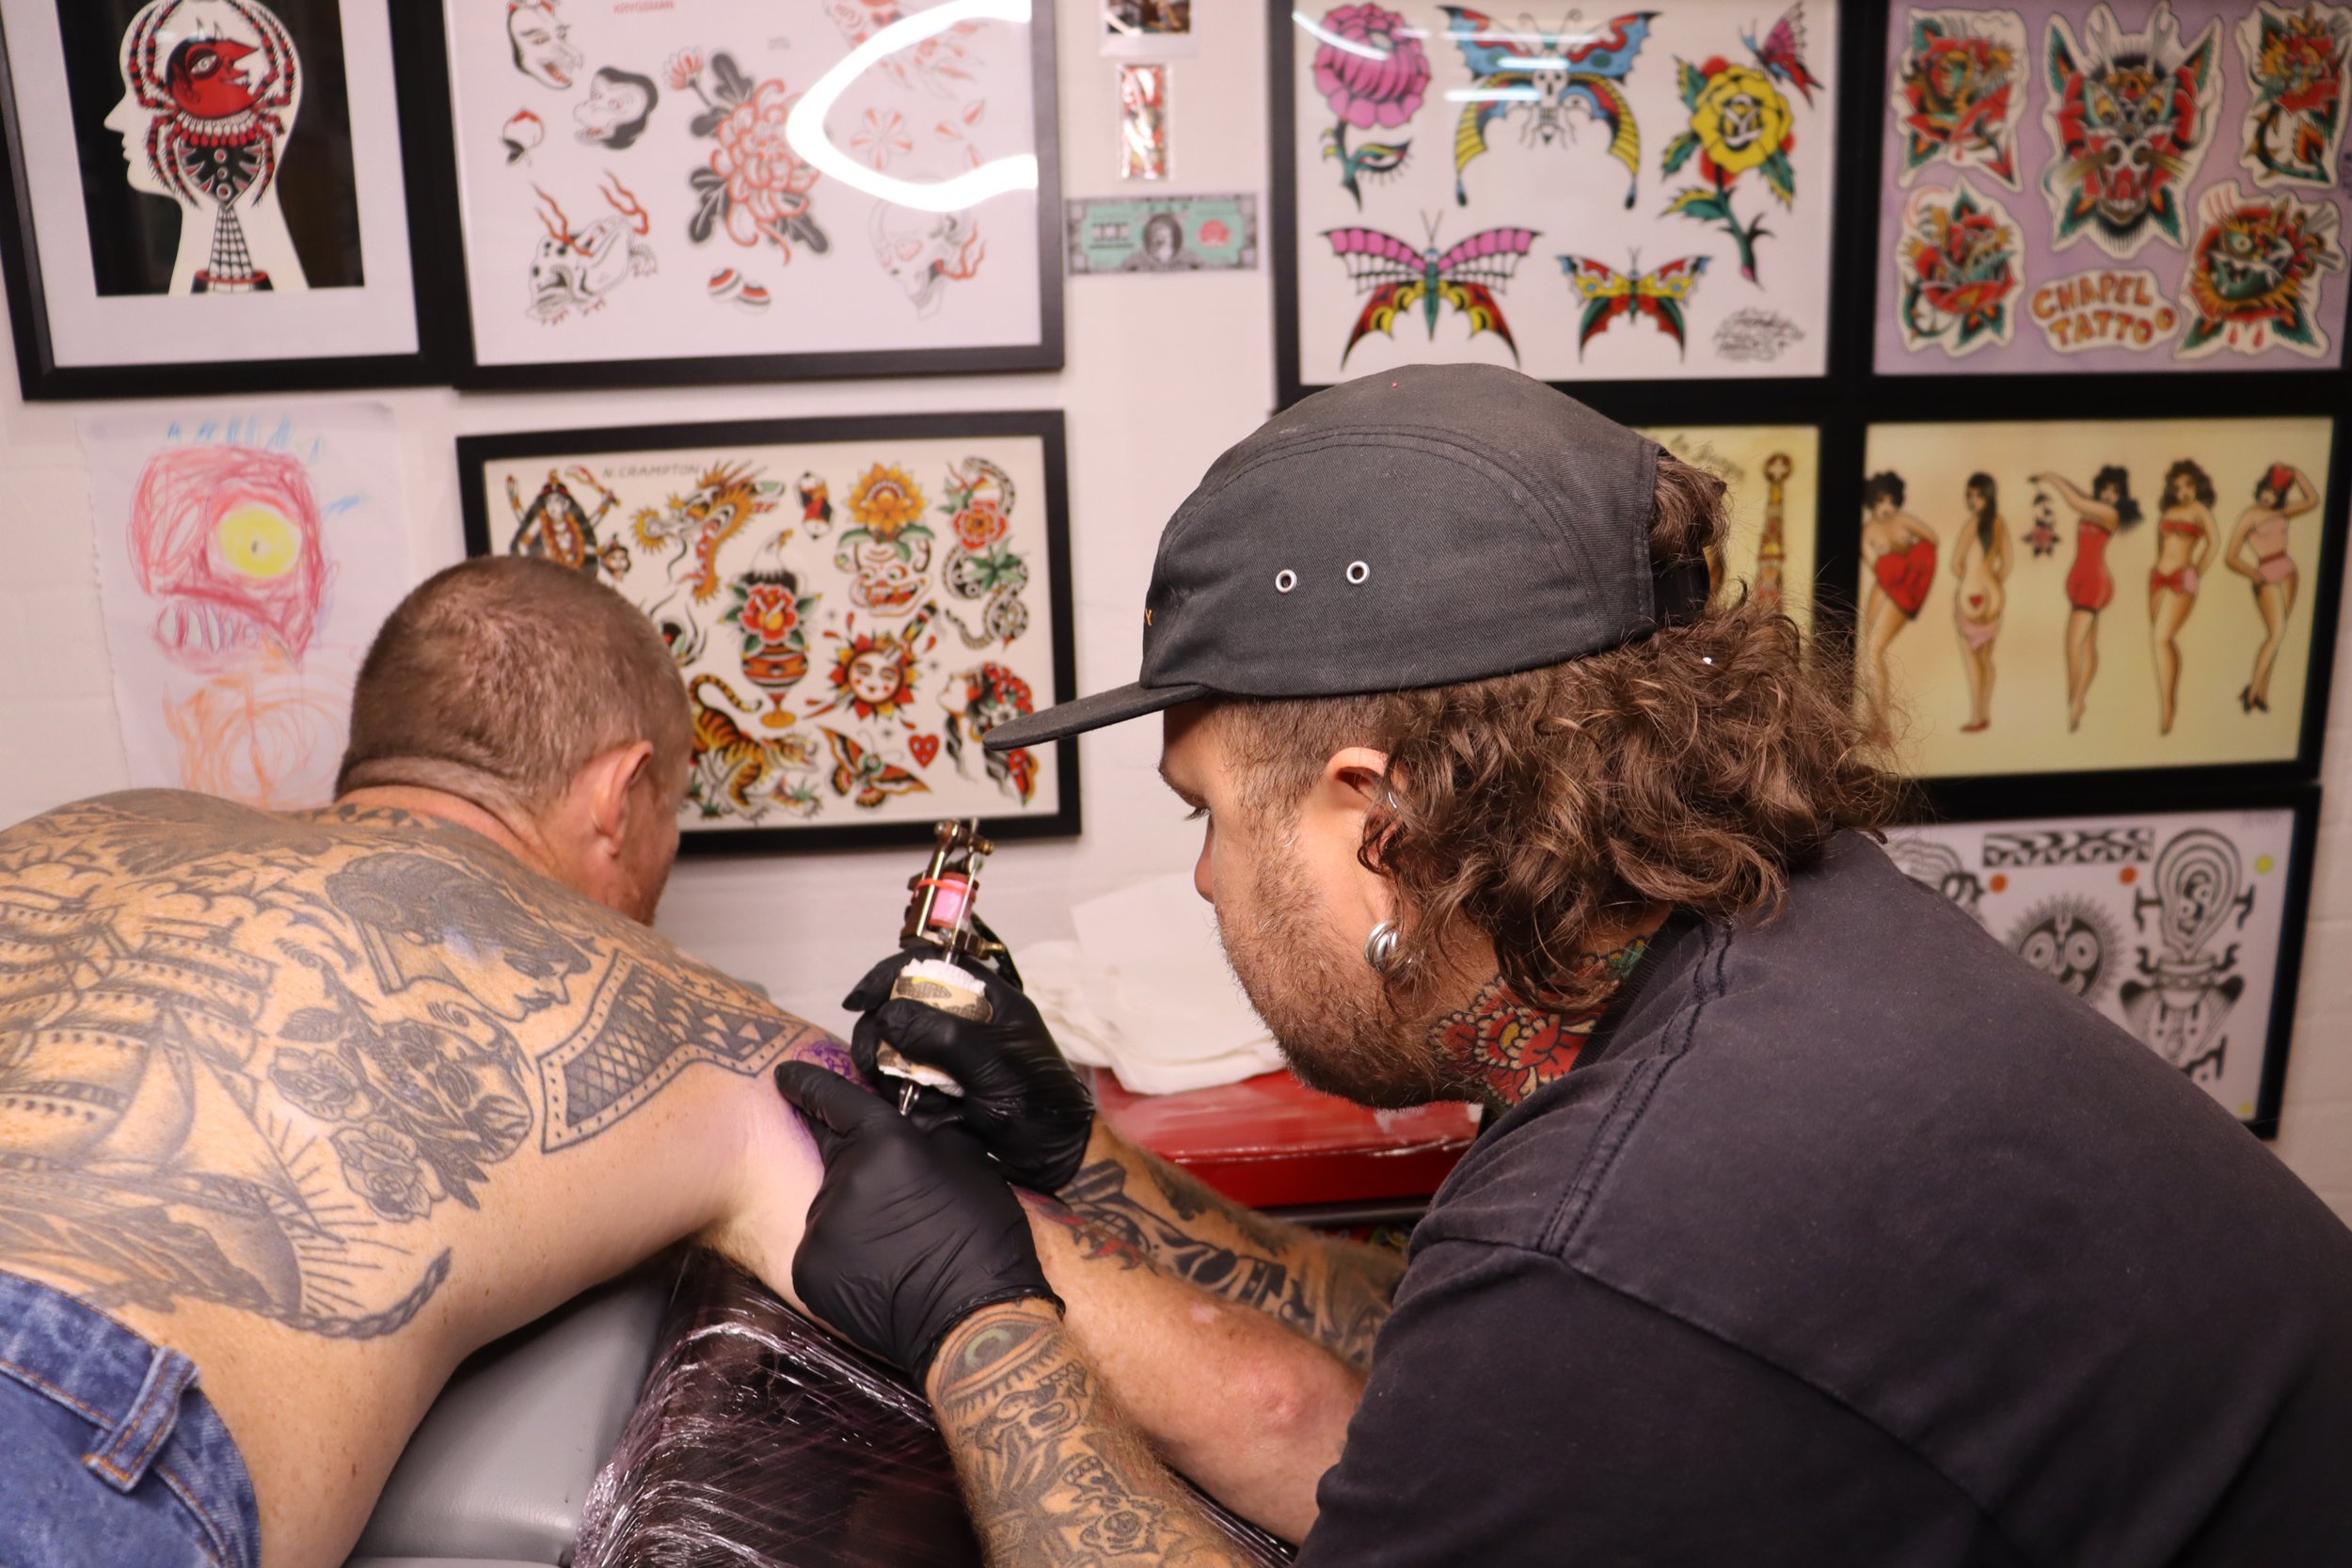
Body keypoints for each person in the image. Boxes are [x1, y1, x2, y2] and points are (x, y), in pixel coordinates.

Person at [776, 365, 2352, 1566]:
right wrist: (1082, 1162)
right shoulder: (1757, 948)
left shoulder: (1650, 1220)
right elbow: (1432, 1368)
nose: (1197, 878)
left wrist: (976, 1324)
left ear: (1377, 818)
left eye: (1204, 815)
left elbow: (1551, 1314)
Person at [0, 558, 1345, 1568]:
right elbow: (1263, 1398)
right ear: (620, 794)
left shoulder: (70, 836)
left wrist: (1074, 1143)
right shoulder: (637, 1004)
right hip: (73, 1427)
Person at [2034, 464, 2141, 732]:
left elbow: (2075, 501)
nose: (2107, 495)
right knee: (2088, 645)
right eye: (2105, 489)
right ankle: (2080, 698)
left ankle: (2073, 699)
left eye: (2114, 492)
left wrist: (2051, 477)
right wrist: (2059, 479)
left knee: (2072, 643)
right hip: (2082, 579)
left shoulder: (2110, 514)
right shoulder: (2095, 506)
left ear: (2121, 497)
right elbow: (2080, 495)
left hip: (2094, 581)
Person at [2223, 462, 2317, 714]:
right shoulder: (2249, 515)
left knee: (2279, 635)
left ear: (2281, 496)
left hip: (2288, 569)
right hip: (2265, 573)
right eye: (2266, 491)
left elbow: (2313, 500)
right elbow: (2230, 556)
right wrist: (2253, 573)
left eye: (2274, 494)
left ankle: (2262, 694)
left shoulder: (2284, 510)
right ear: (2259, 489)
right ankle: (2251, 691)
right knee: (2276, 633)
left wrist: (2296, 474)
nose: (2268, 497)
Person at [1857, 470, 1938, 747]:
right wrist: (1889, 560)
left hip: (1903, 593)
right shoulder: (1867, 532)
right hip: (1883, 590)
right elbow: (1877, 566)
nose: (1886, 508)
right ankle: (1876, 725)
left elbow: (1932, 540)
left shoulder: (1904, 520)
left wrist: (1910, 564)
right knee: (1869, 654)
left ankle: (1882, 727)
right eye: (1881, 501)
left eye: (1892, 501)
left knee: (1873, 652)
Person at [2148, 459, 2217, 736]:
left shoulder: (2199, 510)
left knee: (2161, 639)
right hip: (2157, 579)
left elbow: (2214, 542)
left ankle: (2168, 707)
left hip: (2182, 578)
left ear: (2198, 484)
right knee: (2161, 640)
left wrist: (2197, 571)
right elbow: (2159, 546)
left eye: (2188, 484)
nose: (2183, 491)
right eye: (2177, 487)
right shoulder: (2169, 511)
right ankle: (2166, 700)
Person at [1949, 471, 2010, 733]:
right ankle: (1983, 713)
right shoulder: (2000, 524)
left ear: (1988, 496)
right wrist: (1991, 581)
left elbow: (1955, 563)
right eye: (1970, 496)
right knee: (1985, 660)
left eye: (1978, 495)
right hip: (1993, 597)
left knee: (1973, 661)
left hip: (1971, 596)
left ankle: (1977, 716)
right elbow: (2007, 564)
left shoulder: (1973, 525)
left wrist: (1970, 579)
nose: (1974, 501)